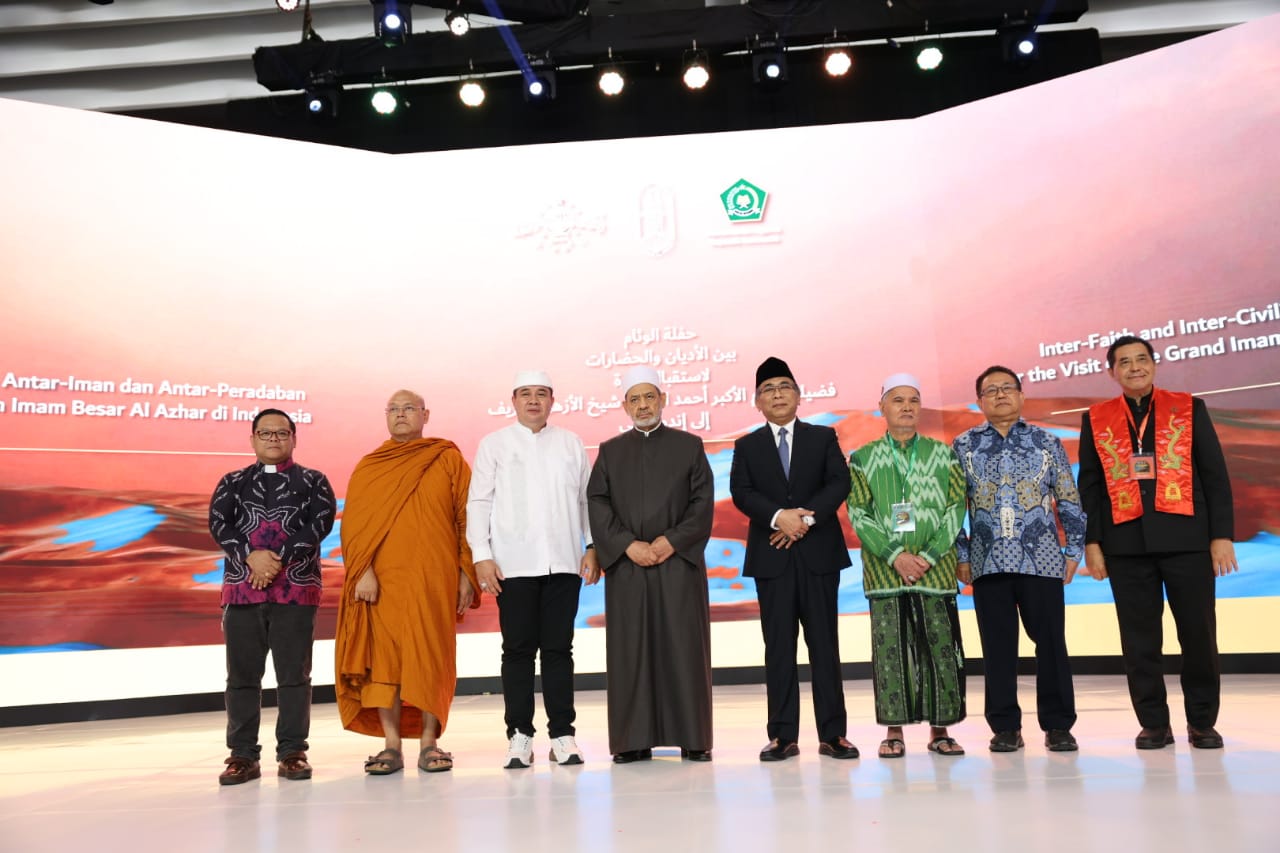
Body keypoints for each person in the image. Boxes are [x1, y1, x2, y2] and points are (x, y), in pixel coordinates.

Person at [1078, 335, 1237, 750]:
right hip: (1125, 544)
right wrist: (1092, 543)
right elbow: (1089, 487)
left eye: (1141, 359)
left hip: (1188, 540)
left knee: (1198, 636)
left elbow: (1214, 475)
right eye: (1124, 362)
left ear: (1154, 364)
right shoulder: (1096, 418)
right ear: (1111, 372)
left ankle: (1201, 722)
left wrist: (1221, 536)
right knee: (1139, 641)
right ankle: (1153, 723)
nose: (1134, 367)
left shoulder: (1188, 407)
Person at [334, 389, 480, 774]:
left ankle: (430, 742)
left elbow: (466, 518)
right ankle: (392, 745)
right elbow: (354, 526)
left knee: (429, 656)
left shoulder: (447, 459)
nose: (401, 415)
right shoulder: (370, 466)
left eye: (409, 408)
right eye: (394, 409)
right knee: (384, 662)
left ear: (425, 415)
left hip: (434, 581)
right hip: (382, 584)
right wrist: (362, 570)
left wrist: (466, 573)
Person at [466, 370, 599, 769]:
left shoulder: (571, 443)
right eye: (525, 393)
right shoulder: (494, 444)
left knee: (559, 649)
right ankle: (519, 735)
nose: (534, 400)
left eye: (541, 393)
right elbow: (479, 502)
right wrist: (481, 554)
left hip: (564, 562)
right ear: (514, 401)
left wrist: (592, 545)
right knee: (518, 651)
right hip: (513, 564)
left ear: (552, 401)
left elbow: (586, 501)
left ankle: (562, 735)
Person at [729, 356, 859, 762]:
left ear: (799, 396)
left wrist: (803, 520)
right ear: (757, 402)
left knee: (825, 646)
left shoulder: (822, 437)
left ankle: (833, 734)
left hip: (819, 555)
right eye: (768, 389)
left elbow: (839, 481)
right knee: (779, 649)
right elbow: (741, 492)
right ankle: (782, 735)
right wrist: (777, 517)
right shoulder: (747, 445)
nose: (777, 394)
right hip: (772, 558)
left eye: (784, 386)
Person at [952, 366, 1086, 753]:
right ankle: (1005, 726)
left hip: (1041, 560)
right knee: (997, 648)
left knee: (1051, 644)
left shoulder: (1047, 441)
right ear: (979, 401)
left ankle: (1058, 725)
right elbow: (951, 506)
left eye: (1007, 388)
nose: (1000, 395)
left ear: (1022, 395)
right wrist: (962, 554)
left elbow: (1068, 497)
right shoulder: (963, 445)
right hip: (987, 561)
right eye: (990, 390)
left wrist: (1074, 550)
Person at [586, 365, 715, 763]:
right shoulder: (610, 451)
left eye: (649, 397)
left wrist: (670, 541)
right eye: (635, 399)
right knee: (631, 652)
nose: (643, 405)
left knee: (684, 648)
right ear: (625, 406)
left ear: (663, 400)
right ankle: (631, 740)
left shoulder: (689, 446)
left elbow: (702, 503)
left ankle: (693, 737)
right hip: (629, 568)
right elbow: (597, 503)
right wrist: (627, 545)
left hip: (678, 565)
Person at [209, 408, 336, 785]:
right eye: (265, 433)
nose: (274, 439)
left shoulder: (314, 481)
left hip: (295, 590)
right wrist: (251, 556)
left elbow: (319, 525)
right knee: (241, 678)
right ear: (253, 439)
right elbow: (219, 524)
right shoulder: (232, 482)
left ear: (294, 438)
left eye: (281, 433)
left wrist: (275, 560)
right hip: (242, 591)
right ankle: (242, 756)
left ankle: (293, 753)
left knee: (294, 677)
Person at [847, 374, 967, 758]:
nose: (907, 407)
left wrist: (929, 555)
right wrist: (895, 555)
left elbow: (956, 507)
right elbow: (859, 512)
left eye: (913, 400)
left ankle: (940, 730)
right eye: (898, 400)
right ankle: (893, 731)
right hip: (885, 573)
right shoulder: (863, 458)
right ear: (882, 407)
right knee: (891, 653)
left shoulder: (943, 454)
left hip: (937, 570)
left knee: (939, 648)